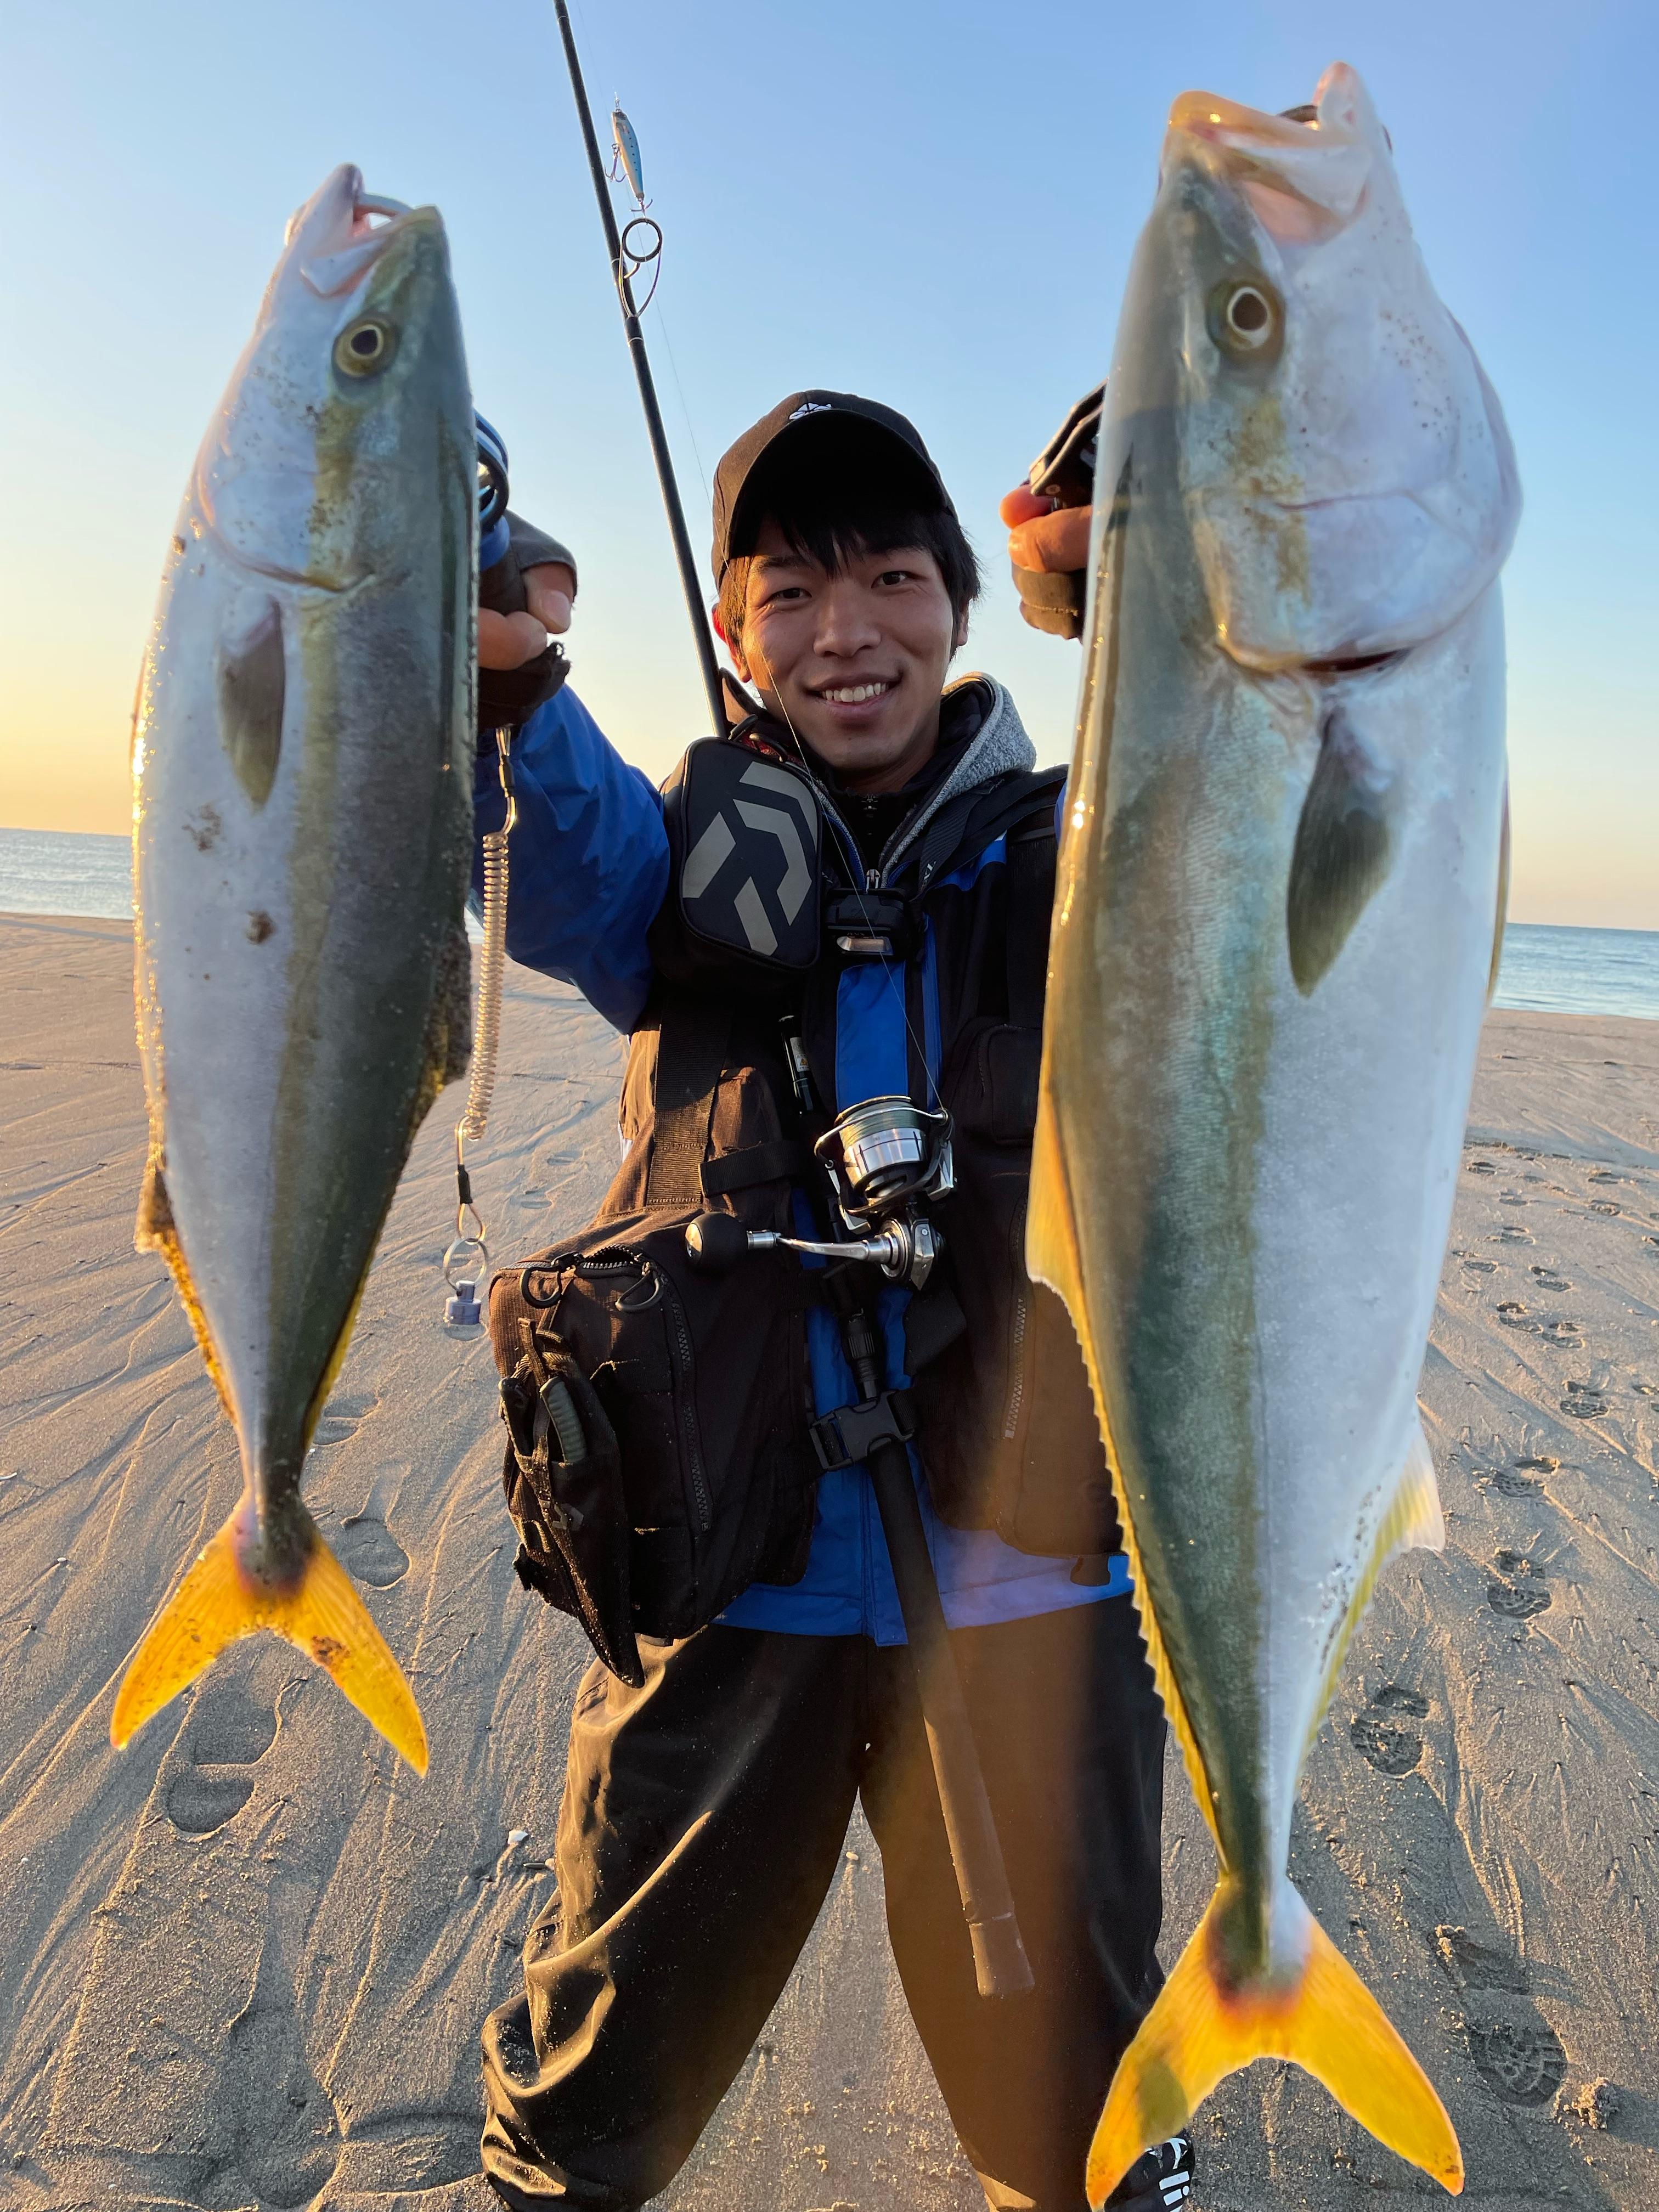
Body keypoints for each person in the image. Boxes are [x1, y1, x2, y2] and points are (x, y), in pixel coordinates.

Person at [470, 392, 1192, 2212]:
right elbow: (554, 866)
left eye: (890, 576)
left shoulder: (1082, 843)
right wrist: (502, 671)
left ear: (961, 603)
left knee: (1080, 2112)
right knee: (597, 2083)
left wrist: (1155, 591)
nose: (845, 630)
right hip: (731, 1568)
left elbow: (1237, 815)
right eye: (789, 590)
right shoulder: (667, 857)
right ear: (732, 632)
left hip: (1031, 1579)